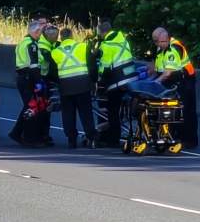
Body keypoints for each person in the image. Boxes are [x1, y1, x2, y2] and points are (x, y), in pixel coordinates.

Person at [150, 26, 198, 148]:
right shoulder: (162, 47)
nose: (156, 44)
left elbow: (168, 72)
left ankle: (188, 140)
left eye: (157, 41)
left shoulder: (174, 49)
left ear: (165, 39)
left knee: (185, 110)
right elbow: (158, 68)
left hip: (184, 81)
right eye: (155, 41)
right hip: (174, 80)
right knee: (173, 110)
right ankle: (173, 135)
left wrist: (155, 83)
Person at [51, 27, 96, 148]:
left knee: (68, 113)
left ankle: (71, 139)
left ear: (61, 37)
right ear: (72, 36)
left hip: (65, 86)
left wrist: (59, 82)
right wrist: (93, 81)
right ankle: (91, 137)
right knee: (86, 112)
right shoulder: (82, 47)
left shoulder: (55, 52)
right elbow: (92, 66)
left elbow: (53, 72)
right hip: (83, 84)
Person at [94, 18, 137, 146]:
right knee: (121, 109)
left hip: (117, 81)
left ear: (101, 33)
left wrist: (99, 82)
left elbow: (104, 67)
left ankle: (112, 139)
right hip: (131, 78)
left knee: (112, 110)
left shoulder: (106, 45)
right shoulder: (123, 40)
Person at [9, 21, 43, 145]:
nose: (40, 35)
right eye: (40, 33)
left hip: (22, 77)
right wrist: (38, 81)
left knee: (28, 107)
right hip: (29, 78)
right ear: (36, 32)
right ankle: (28, 137)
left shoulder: (22, 43)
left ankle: (17, 132)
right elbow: (34, 65)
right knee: (31, 108)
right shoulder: (32, 45)